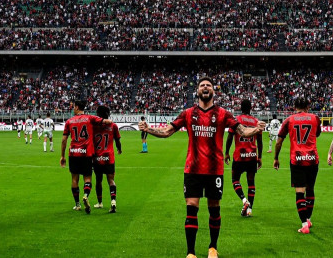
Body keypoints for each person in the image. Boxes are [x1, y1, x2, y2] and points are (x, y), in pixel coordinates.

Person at [139, 77, 265, 258]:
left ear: (213, 91)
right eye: (202, 85)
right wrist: (148, 129)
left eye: (209, 86)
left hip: (214, 170)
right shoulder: (188, 113)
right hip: (193, 169)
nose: (205, 88)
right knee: (192, 207)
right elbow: (167, 131)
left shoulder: (223, 114)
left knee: (214, 208)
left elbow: (242, 131)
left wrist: (256, 129)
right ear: (197, 91)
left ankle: (213, 247)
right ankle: (190, 252)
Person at [274, 97, 321, 234]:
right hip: (313, 159)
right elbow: (317, 134)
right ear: (307, 106)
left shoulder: (289, 120)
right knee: (310, 189)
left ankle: (304, 224)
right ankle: (308, 218)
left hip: (297, 159)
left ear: (295, 107)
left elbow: (279, 142)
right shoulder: (315, 118)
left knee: (300, 191)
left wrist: (276, 158)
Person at [60, 100, 112, 214]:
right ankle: (85, 195)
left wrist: (62, 156)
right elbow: (107, 121)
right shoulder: (90, 118)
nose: (73, 109)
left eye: (74, 107)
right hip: (86, 153)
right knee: (87, 178)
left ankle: (77, 204)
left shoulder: (69, 121)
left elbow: (64, 140)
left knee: (74, 179)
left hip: (73, 153)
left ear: (77, 107)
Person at [224, 100, 263, 217]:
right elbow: (260, 142)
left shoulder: (236, 120)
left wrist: (226, 152)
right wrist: (259, 157)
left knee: (235, 180)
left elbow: (230, 137)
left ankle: (244, 200)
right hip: (252, 156)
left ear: (240, 108)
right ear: (251, 108)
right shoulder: (256, 122)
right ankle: (249, 209)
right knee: (251, 182)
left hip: (239, 156)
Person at [92, 105, 122, 213]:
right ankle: (113, 201)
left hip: (97, 157)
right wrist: (119, 149)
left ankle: (99, 203)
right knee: (111, 180)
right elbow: (117, 140)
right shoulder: (113, 126)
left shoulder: (94, 126)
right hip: (109, 157)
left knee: (98, 180)